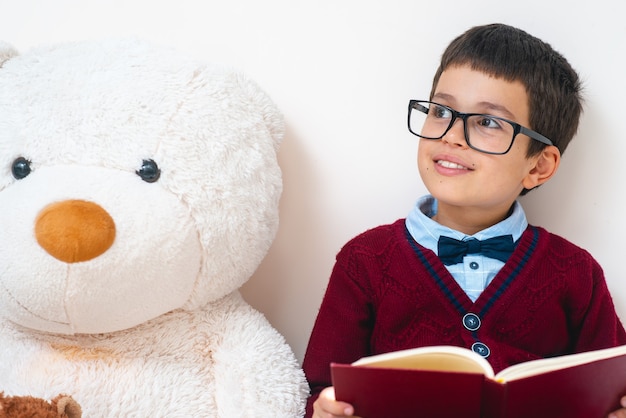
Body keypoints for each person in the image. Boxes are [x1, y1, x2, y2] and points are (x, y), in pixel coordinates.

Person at [302, 23, 626, 418]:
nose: (451, 135)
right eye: (441, 111)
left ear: (539, 166)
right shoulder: (365, 260)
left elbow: (612, 385)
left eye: (488, 122)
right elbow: (318, 389)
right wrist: (323, 410)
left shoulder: (577, 273)